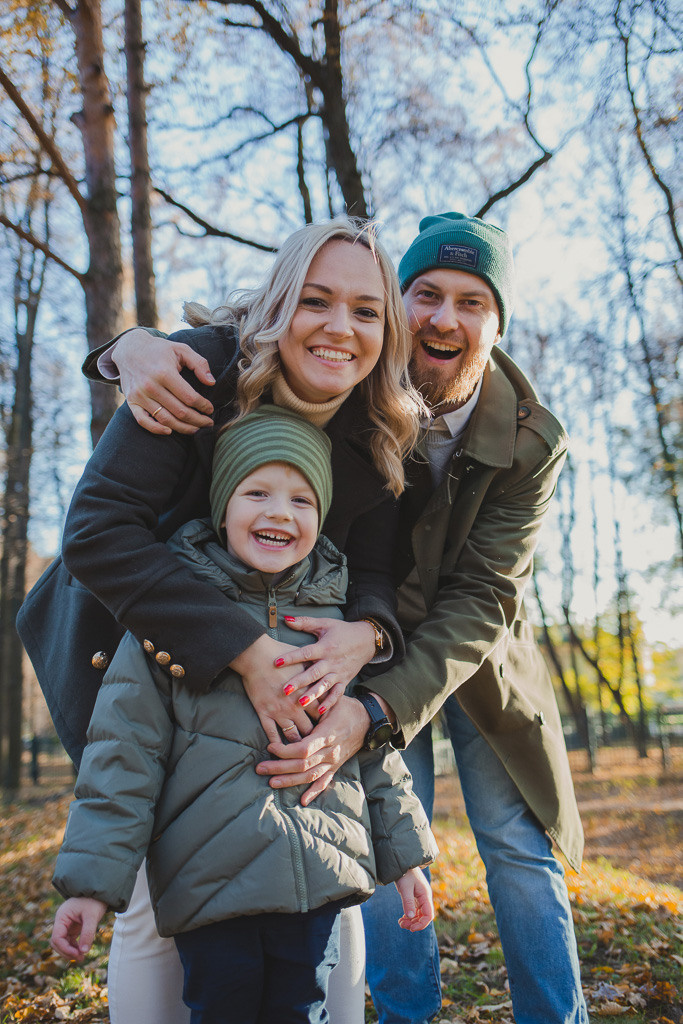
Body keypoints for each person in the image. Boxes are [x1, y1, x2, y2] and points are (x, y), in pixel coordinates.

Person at [105, 212, 588, 1024]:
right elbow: (247, 330)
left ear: (497, 322)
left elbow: (483, 595)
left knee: (513, 843)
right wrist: (128, 345)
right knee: (363, 842)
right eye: (426, 294)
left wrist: (374, 697)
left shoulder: (530, 438)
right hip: (337, 645)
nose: (444, 318)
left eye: (472, 302)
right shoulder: (351, 373)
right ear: (400, 306)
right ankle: (402, 1013)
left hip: (468, 661)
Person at [18, 216, 427, 1024]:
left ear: (389, 329)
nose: (339, 328)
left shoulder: (377, 426)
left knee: (321, 894)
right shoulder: (200, 369)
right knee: (151, 905)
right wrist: (243, 650)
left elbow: (375, 567)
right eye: (316, 300)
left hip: (300, 677)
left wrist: (368, 633)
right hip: (142, 652)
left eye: (366, 310)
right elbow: (98, 533)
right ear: (279, 303)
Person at [50, 406, 437, 1024]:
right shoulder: (171, 618)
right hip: (212, 887)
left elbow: (371, 751)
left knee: (299, 1008)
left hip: (316, 880)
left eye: (303, 500)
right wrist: (93, 886)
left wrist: (407, 858)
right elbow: (123, 757)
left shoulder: (335, 624)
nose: (280, 511)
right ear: (222, 505)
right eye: (257, 492)